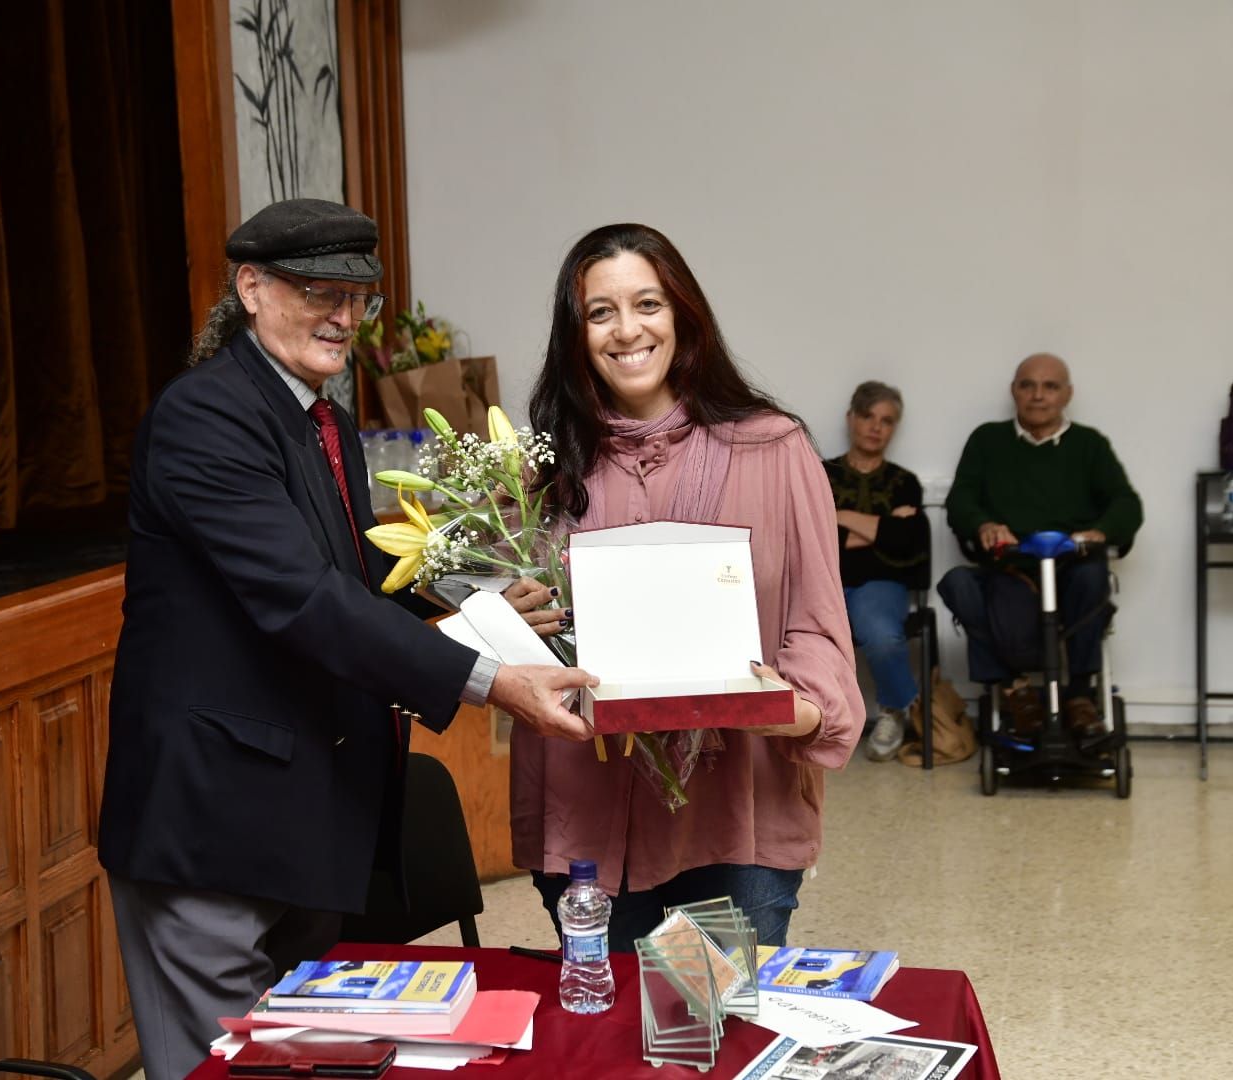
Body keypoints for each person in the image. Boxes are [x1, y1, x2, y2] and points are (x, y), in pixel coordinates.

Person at [97, 199, 595, 1080]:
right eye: (317, 291)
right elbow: (302, 600)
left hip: (301, 819)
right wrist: (493, 680)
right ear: (250, 290)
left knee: (302, 1065)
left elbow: (352, 582)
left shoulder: (316, 416)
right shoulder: (206, 417)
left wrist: (481, 612)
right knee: (224, 1070)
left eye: (357, 297)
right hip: (211, 829)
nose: (343, 317)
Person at [504, 223, 864, 950]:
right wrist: (510, 620)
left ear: (683, 316)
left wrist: (792, 709)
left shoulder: (773, 448)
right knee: (608, 1043)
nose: (626, 330)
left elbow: (815, 621)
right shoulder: (541, 467)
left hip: (737, 810)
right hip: (591, 809)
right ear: (575, 335)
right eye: (600, 313)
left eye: (648, 304)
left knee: (725, 1040)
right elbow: (518, 636)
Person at [937, 352, 1143, 736]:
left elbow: (1126, 503)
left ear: (1067, 394)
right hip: (1013, 569)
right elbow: (961, 500)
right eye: (1028, 385)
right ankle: (1014, 688)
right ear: (1013, 391)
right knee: (960, 584)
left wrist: (1100, 530)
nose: (1038, 395)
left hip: (1070, 566)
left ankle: (1080, 696)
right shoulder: (987, 440)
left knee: (1091, 575)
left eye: (1050, 386)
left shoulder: (1088, 445)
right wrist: (984, 524)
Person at [823, 381, 929, 762]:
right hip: (823, 584)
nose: (875, 427)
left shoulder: (905, 483)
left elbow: (907, 544)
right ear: (851, 418)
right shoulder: (820, 474)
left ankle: (895, 710)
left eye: (886, 420)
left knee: (882, 636)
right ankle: (812, 723)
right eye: (867, 416)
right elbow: (815, 540)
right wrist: (880, 526)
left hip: (881, 584)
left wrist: (840, 519)